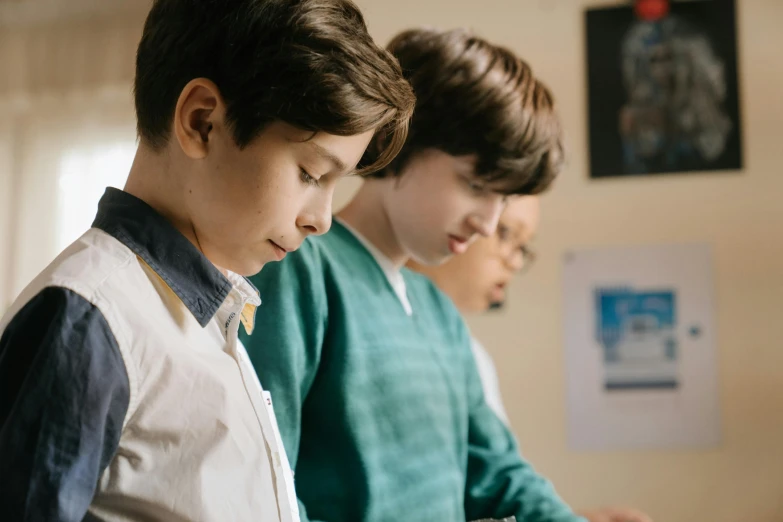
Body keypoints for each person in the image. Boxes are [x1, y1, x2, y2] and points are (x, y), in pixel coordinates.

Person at [0, 1, 414, 520]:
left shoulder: (210, 312)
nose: (322, 220)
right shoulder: (89, 319)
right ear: (202, 122)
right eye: (311, 174)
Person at [242, 28, 581, 521]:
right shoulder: (299, 270)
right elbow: (267, 482)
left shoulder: (439, 313)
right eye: (477, 184)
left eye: (503, 198)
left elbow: (499, 472)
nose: (488, 222)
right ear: (403, 137)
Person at [411, 197, 655, 522]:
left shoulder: (470, 353)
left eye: (523, 247)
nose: (513, 262)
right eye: (507, 233)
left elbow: (479, 495)